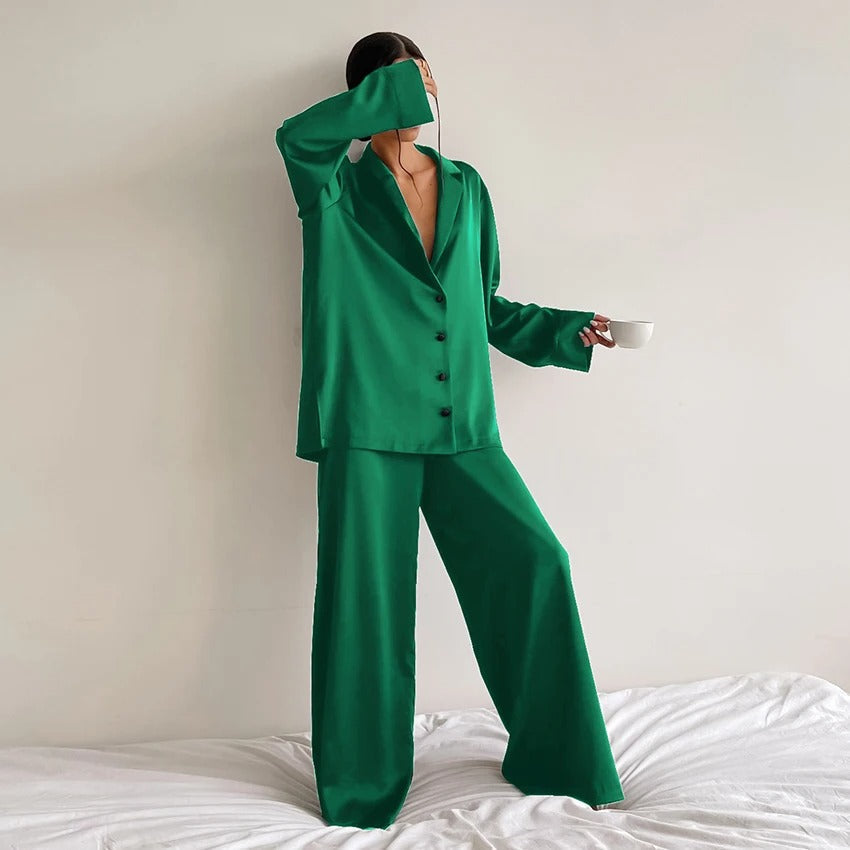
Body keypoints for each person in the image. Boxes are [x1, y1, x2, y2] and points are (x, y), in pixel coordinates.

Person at [274, 31, 623, 830]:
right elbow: (295, 135)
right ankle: (362, 792)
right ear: (370, 94)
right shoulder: (332, 186)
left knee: (537, 562)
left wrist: (569, 331)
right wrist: (389, 96)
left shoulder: (467, 186)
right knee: (365, 608)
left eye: (426, 74)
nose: (424, 89)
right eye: (403, 80)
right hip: (366, 423)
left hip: (460, 419)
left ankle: (558, 758)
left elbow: (484, 304)